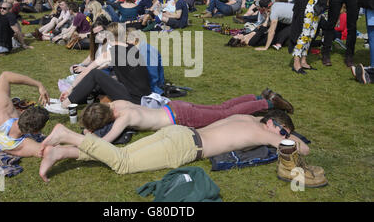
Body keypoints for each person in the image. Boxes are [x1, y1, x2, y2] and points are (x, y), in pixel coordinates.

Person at [38, 110, 326, 186]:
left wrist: (278, 124)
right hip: (186, 146)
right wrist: (287, 135)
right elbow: (304, 150)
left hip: (179, 132)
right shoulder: (263, 133)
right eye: (283, 131)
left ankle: (62, 151)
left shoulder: (247, 119)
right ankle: (68, 135)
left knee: (121, 155)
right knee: (123, 163)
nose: (284, 137)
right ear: (273, 125)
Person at [78, 88, 294, 142]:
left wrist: (89, 135)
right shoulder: (118, 104)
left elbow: (107, 139)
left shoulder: (122, 119)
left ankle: (266, 102)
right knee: (221, 108)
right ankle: (257, 97)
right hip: (174, 107)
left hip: (180, 118)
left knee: (224, 114)